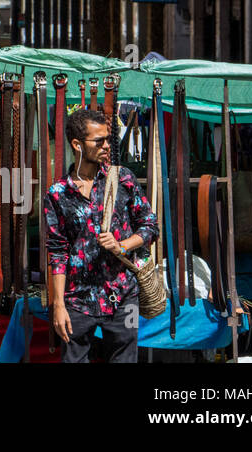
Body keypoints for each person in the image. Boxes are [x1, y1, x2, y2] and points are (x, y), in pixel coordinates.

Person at [46, 108, 158, 363]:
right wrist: (59, 304)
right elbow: (57, 251)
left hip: (122, 294)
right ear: (77, 144)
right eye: (99, 141)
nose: (107, 146)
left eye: (108, 139)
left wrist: (122, 245)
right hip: (77, 298)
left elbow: (150, 225)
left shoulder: (123, 179)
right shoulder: (57, 193)